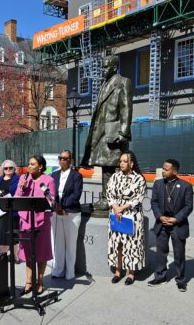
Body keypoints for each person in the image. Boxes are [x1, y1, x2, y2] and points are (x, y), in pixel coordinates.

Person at [80, 55, 132, 211]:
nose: (103, 70)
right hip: (101, 131)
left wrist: (123, 132)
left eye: (105, 67)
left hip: (113, 133)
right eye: (102, 67)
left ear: (114, 67)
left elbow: (126, 108)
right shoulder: (104, 84)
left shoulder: (123, 82)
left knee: (111, 167)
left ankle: (110, 199)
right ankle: (107, 198)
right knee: (104, 166)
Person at [148, 159, 193, 291]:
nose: (163, 171)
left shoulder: (185, 186)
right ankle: (160, 277)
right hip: (161, 223)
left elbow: (188, 206)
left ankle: (181, 280)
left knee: (179, 253)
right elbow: (154, 202)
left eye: (166, 169)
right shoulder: (157, 184)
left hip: (177, 224)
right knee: (161, 252)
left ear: (175, 171)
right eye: (163, 168)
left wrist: (175, 219)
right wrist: (159, 216)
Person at [15, 155, 54, 295]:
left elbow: (52, 201)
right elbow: (17, 198)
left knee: (41, 254)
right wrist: (21, 188)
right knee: (28, 254)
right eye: (29, 164)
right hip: (25, 221)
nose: (29, 166)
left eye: (32, 164)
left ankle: (40, 281)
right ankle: (29, 281)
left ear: (40, 166)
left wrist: (48, 198)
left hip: (41, 222)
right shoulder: (23, 179)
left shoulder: (48, 180)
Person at [106, 151, 146, 285]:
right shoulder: (114, 176)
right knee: (118, 244)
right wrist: (115, 207)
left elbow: (138, 198)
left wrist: (122, 208)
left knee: (131, 244)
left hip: (132, 215)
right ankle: (118, 271)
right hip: (116, 214)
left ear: (132, 163)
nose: (122, 163)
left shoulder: (139, 178)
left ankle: (131, 273)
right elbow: (109, 193)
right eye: (121, 161)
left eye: (125, 161)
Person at [51, 150, 83, 280]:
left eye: (65, 158)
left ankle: (70, 272)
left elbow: (76, 195)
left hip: (71, 213)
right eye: (61, 158)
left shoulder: (76, 176)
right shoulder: (54, 175)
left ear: (70, 160)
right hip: (56, 213)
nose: (62, 160)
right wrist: (56, 207)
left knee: (70, 244)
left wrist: (63, 206)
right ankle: (58, 270)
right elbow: (51, 193)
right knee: (58, 243)